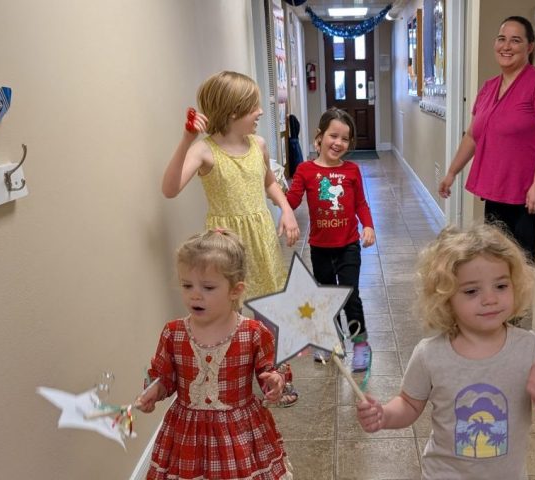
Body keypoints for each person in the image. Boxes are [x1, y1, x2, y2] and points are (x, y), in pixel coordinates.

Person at [355, 224, 535, 479]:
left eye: (501, 286)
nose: (490, 299)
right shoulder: (429, 355)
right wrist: (384, 415)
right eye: (471, 291)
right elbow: (409, 405)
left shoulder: (532, 349)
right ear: (445, 297)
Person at [162, 70, 300, 406]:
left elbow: (268, 182)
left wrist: (287, 209)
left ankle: (276, 378)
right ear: (234, 111)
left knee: (270, 310)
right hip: (225, 248)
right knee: (228, 314)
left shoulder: (259, 145)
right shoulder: (204, 151)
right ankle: (230, 378)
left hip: (261, 237)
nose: (261, 113)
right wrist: (185, 140)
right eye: (254, 107)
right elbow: (169, 189)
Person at [136, 229, 293, 480]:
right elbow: (165, 376)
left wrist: (274, 381)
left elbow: (269, 369)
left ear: (235, 290)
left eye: (208, 287)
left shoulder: (253, 332)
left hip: (240, 432)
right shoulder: (173, 333)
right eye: (187, 285)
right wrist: (155, 390)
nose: (195, 294)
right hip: (187, 434)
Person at [438, 16, 535, 261]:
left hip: (525, 197)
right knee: (497, 262)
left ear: (529, 47)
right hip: (496, 191)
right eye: (502, 39)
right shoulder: (488, 87)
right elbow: (473, 136)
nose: (506, 46)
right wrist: (452, 172)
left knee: (521, 266)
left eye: (515, 40)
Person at [285, 107, 375, 372]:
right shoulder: (305, 170)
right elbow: (291, 201)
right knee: (326, 297)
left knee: (350, 296)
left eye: (345, 139)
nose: (338, 143)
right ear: (320, 137)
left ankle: (360, 345)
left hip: (348, 246)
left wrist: (368, 226)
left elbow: (361, 203)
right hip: (320, 247)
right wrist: (274, 193)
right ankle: (331, 342)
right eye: (333, 136)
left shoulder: (352, 171)